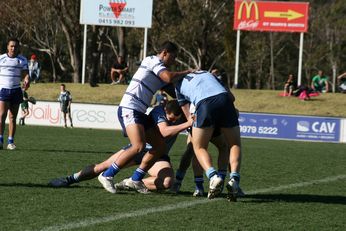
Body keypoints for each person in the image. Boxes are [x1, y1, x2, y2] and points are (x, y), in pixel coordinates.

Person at [97, 41, 194, 194]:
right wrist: (186, 72)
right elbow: (168, 78)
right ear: (165, 53)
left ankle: (136, 179)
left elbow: (175, 91)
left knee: (160, 146)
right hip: (130, 107)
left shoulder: (161, 71)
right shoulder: (152, 61)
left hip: (140, 112)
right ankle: (107, 175)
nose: (173, 61)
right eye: (173, 57)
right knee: (138, 146)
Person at [49, 100, 193, 192]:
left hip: (158, 156)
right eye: (169, 118)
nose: (170, 120)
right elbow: (164, 131)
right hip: (139, 150)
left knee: (167, 182)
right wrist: (187, 124)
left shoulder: (185, 115)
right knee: (102, 167)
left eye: (174, 119)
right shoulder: (159, 111)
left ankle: (129, 182)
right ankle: (69, 179)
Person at [175, 70, 242, 201]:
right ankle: (234, 179)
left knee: (198, 148)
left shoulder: (178, 84)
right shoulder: (209, 74)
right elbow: (231, 98)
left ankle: (211, 178)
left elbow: (187, 113)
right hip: (224, 102)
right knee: (233, 144)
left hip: (204, 108)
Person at [0, 38, 30, 150]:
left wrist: (27, 80)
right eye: (11, 46)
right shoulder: (1, 58)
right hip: (3, 90)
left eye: (16, 46)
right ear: (7, 47)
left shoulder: (22, 60)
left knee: (12, 117)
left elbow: (26, 75)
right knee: (1, 116)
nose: (13, 48)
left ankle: (10, 142)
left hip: (16, 90)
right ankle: (0, 139)